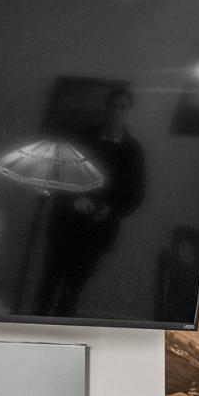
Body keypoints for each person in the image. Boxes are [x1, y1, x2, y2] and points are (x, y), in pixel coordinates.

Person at [34, 87, 146, 317]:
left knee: (73, 291)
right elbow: (60, 174)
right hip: (65, 225)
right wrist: (74, 197)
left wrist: (112, 209)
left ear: (129, 110)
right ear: (106, 107)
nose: (117, 111)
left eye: (123, 107)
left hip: (98, 233)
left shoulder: (133, 150)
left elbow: (136, 193)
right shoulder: (81, 138)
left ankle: (60, 333)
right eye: (113, 106)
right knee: (48, 283)